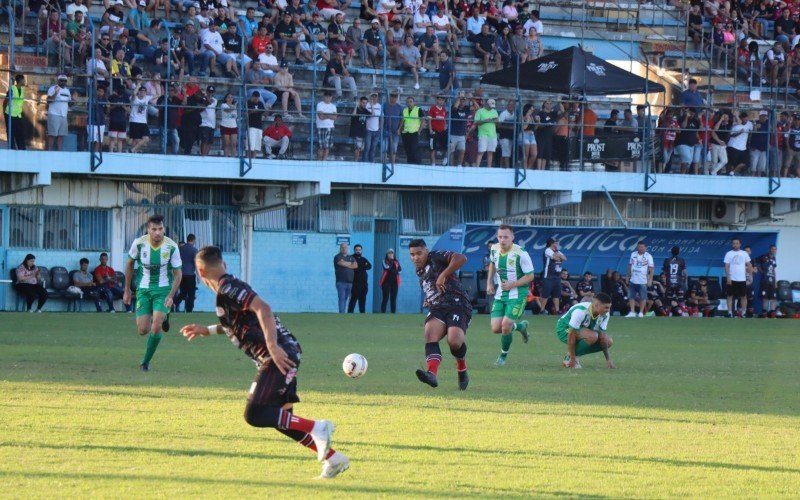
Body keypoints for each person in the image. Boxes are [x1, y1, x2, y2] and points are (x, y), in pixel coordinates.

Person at [180, 246, 348, 480]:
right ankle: (334, 459)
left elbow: (264, 309)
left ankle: (318, 427)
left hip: (277, 356)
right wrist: (206, 330)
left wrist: (272, 347)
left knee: (255, 414)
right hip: (283, 354)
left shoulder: (229, 288)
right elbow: (239, 325)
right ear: (224, 264)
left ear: (199, 271)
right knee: (282, 419)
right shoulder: (227, 291)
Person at [408, 239, 470, 390]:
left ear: (426, 251)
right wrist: (429, 299)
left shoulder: (436, 256)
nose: (416, 257)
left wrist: (443, 275)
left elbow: (461, 258)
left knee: (454, 342)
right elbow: (431, 286)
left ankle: (462, 368)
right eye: (412, 255)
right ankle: (432, 374)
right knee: (430, 335)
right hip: (438, 307)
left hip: (458, 304)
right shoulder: (420, 271)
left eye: (419, 253)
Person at [124, 215, 183, 372]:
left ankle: (145, 362)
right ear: (148, 230)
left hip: (163, 290)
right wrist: (127, 290)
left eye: (160, 229)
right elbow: (129, 265)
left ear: (164, 229)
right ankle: (165, 315)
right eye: (154, 229)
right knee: (143, 330)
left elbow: (178, 274)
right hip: (143, 290)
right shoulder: (139, 243)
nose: (158, 232)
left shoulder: (171, 247)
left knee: (156, 327)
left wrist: (170, 296)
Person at [485, 225, 532, 366]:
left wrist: (512, 285)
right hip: (501, 293)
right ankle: (521, 327)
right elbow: (492, 264)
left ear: (513, 237)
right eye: (500, 237)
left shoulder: (521, 253)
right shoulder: (494, 248)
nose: (502, 240)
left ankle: (502, 357)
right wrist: (489, 283)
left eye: (506, 237)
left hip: (518, 294)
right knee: (495, 328)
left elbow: (530, 276)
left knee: (505, 326)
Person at [557, 293, 615, 369]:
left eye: (609, 308)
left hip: (583, 331)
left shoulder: (605, 315)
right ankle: (571, 358)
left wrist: (608, 360)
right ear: (596, 305)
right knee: (592, 336)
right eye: (606, 307)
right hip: (564, 329)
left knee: (608, 341)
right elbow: (571, 335)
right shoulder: (581, 311)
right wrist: (573, 358)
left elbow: (603, 337)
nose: (608, 310)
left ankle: (573, 355)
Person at [724, 237, 753, 318]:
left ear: (740, 244)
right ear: (732, 245)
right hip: (732, 279)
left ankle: (743, 313)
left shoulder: (744, 253)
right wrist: (728, 277)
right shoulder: (729, 253)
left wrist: (750, 276)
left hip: (742, 279)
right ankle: (730, 313)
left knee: (743, 296)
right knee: (730, 296)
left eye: (737, 243)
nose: (735, 245)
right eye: (734, 243)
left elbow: (749, 265)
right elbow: (726, 266)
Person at [625, 241, 654, 318]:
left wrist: (650, 279)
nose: (640, 248)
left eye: (642, 247)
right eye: (639, 247)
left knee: (643, 297)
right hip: (633, 279)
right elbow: (630, 265)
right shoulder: (633, 254)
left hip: (643, 280)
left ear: (645, 248)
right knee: (631, 296)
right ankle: (632, 312)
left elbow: (651, 268)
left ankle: (641, 312)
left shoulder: (648, 256)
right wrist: (627, 276)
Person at [46, 75, 72, 151]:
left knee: (61, 136)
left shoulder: (67, 90)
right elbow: (48, 101)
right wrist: (56, 93)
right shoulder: (53, 88)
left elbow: (69, 103)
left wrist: (74, 99)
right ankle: (49, 151)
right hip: (54, 114)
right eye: (61, 80)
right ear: (58, 81)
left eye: (65, 81)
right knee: (52, 135)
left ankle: (59, 152)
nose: (63, 82)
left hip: (64, 116)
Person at [540, 237, 566, 314]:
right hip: (548, 276)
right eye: (555, 243)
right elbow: (554, 257)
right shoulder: (547, 250)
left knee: (556, 294)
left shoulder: (557, 251)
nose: (557, 244)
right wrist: (558, 256)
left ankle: (557, 310)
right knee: (545, 294)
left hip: (557, 276)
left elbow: (564, 258)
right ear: (551, 243)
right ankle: (542, 310)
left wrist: (558, 256)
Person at [472, 98, 499, 167]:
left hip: (492, 135)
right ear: (487, 104)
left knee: (490, 152)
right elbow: (475, 122)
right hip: (482, 134)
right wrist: (485, 120)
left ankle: (489, 168)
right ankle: (477, 167)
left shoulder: (494, 111)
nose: (491, 108)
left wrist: (494, 120)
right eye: (490, 106)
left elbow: (498, 121)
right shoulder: (480, 111)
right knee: (481, 151)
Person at [176, 234, 198, 313]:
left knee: (183, 293)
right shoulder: (194, 250)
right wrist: (198, 275)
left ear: (187, 239)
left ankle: (174, 302)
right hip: (190, 275)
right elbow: (196, 263)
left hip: (181, 275)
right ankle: (189, 311)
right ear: (194, 240)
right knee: (191, 294)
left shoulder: (180, 249)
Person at [4, 74, 27, 150]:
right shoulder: (12, 89)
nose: (25, 81)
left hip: (18, 115)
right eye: (24, 80)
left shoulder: (22, 89)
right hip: (10, 114)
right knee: (11, 133)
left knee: (20, 133)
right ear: (20, 80)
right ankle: (12, 149)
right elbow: (5, 101)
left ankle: (22, 149)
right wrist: (5, 112)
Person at [347, 244, 372, 313]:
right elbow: (352, 267)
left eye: (359, 250)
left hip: (364, 283)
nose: (358, 251)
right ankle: (350, 313)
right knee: (353, 299)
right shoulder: (351, 258)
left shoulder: (363, 259)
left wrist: (359, 266)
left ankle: (362, 315)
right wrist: (363, 266)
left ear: (361, 250)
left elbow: (369, 266)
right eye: (356, 250)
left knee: (363, 299)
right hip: (355, 283)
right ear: (354, 250)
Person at [333, 242, 357, 313]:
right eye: (342, 247)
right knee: (342, 298)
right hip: (341, 282)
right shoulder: (337, 257)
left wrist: (346, 263)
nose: (344, 249)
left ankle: (343, 312)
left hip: (350, 282)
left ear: (347, 248)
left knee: (345, 298)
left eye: (345, 247)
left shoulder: (351, 257)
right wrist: (350, 263)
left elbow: (355, 265)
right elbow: (341, 263)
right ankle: (342, 313)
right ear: (340, 248)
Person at [401, 96, 424, 164]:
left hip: (414, 132)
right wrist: (400, 129)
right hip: (406, 132)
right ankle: (409, 162)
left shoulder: (418, 109)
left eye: (411, 102)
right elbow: (403, 120)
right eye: (408, 102)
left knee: (414, 149)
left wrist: (419, 131)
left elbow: (422, 121)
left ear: (414, 102)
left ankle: (417, 163)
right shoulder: (404, 110)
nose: (409, 103)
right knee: (407, 149)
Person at [756, 244, 778, 318]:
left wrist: (775, 281)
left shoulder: (774, 258)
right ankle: (764, 314)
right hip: (765, 280)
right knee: (765, 297)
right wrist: (761, 271)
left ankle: (772, 314)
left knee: (773, 298)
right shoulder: (763, 256)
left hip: (772, 281)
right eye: (772, 249)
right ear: (770, 249)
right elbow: (755, 262)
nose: (774, 250)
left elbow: (774, 270)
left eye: (775, 249)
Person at [316, 91, 337, 161]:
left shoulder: (333, 106)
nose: (328, 98)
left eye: (329, 96)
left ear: (331, 97)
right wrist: (330, 115)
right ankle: (319, 162)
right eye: (327, 96)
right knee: (321, 146)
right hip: (321, 127)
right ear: (324, 96)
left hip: (330, 127)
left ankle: (324, 161)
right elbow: (320, 117)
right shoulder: (320, 105)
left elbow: (335, 117)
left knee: (327, 147)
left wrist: (326, 115)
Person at [428, 95, 448, 166]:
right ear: (437, 100)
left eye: (442, 100)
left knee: (448, 145)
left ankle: (445, 159)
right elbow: (429, 120)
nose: (441, 101)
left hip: (442, 130)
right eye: (439, 100)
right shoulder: (433, 108)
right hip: (434, 130)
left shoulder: (444, 109)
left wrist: (445, 126)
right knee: (432, 147)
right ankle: (433, 163)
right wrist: (430, 129)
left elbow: (444, 119)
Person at [380, 248, 401, 313]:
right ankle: (383, 313)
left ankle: (393, 313)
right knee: (385, 298)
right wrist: (395, 271)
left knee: (393, 299)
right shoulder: (384, 261)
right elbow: (386, 267)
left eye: (392, 253)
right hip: (386, 282)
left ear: (394, 254)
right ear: (387, 254)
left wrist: (394, 271)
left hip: (395, 283)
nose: (391, 254)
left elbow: (400, 270)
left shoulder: (396, 262)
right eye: (389, 253)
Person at [247, 91, 267, 159]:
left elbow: (264, 113)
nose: (256, 98)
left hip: (259, 126)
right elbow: (246, 113)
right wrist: (253, 111)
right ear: (252, 96)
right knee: (250, 143)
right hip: (251, 125)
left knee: (256, 144)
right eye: (255, 97)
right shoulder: (248, 103)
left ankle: (254, 157)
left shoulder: (260, 103)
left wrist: (268, 110)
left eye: (257, 97)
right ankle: (248, 157)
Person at [350, 97, 370, 162]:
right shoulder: (356, 109)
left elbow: (373, 114)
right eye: (363, 102)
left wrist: (371, 105)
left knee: (361, 149)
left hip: (362, 132)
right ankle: (356, 161)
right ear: (360, 102)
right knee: (357, 148)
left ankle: (357, 161)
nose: (364, 104)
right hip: (356, 132)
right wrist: (356, 106)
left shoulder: (365, 110)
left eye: (366, 103)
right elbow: (353, 115)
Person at [364, 92, 381, 163]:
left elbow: (378, 115)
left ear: (377, 98)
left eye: (375, 97)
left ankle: (371, 161)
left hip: (376, 130)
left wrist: (380, 127)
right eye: (372, 96)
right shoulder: (367, 105)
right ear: (370, 97)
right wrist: (371, 106)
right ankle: (364, 161)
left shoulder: (379, 105)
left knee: (373, 148)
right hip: (369, 129)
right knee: (367, 147)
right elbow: (369, 115)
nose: (374, 98)